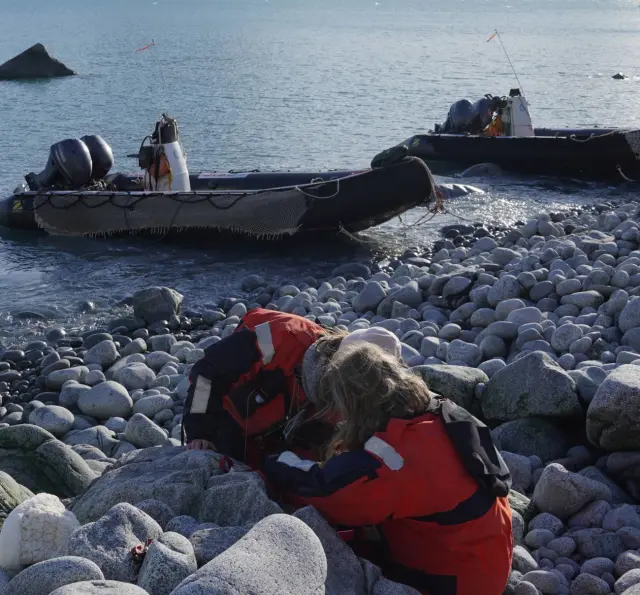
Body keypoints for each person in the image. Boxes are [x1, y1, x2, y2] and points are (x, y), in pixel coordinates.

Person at [262, 342, 513, 595]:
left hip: (456, 584)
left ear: (354, 404)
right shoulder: (439, 408)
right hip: (484, 559)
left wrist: (272, 461)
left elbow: (324, 490)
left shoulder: (394, 461)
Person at [182, 307, 403, 466]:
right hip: (226, 410)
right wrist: (200, 432)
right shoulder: (280, 338)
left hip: (275, 423)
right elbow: (206, 373)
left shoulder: (349, 394)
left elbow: (320, 437)